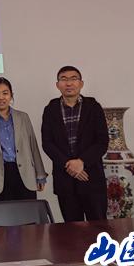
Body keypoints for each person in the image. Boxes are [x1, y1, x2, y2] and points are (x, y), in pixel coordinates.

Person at [41, 66, 109, 222]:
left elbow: (102, 141)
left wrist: (82, 162)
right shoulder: (51, 109)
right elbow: (47, 143)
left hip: (91, 178)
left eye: (73, 79)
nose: (69, 83)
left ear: (81, 83)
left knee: (98, 226)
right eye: (64, 79)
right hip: (65, 181)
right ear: (57, 85)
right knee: (71, 230)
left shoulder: (93, 107)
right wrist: (69, 165)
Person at [0, 77, 48, 201]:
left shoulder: (23, 117)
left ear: (11, 95)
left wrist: (40, 174)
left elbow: (33, 146)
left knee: (28, 212)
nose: (1, 97)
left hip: (25, 173)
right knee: (5, 212)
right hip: (0, 176)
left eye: (5, 93)